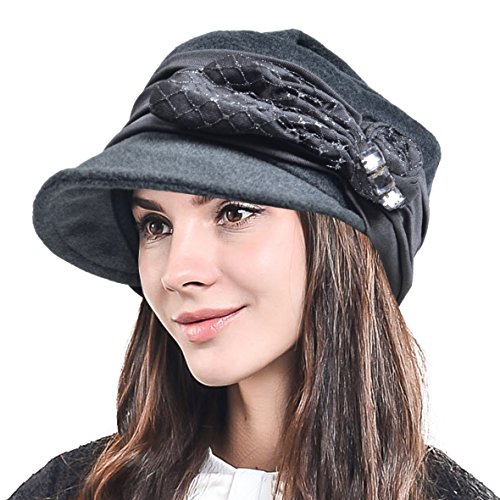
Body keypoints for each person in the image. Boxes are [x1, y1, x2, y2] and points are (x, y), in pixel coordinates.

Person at [8, 29, 499, 500]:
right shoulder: (68, 490)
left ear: (339, 245)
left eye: (234, 213)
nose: (177, 272)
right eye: (156, 225)